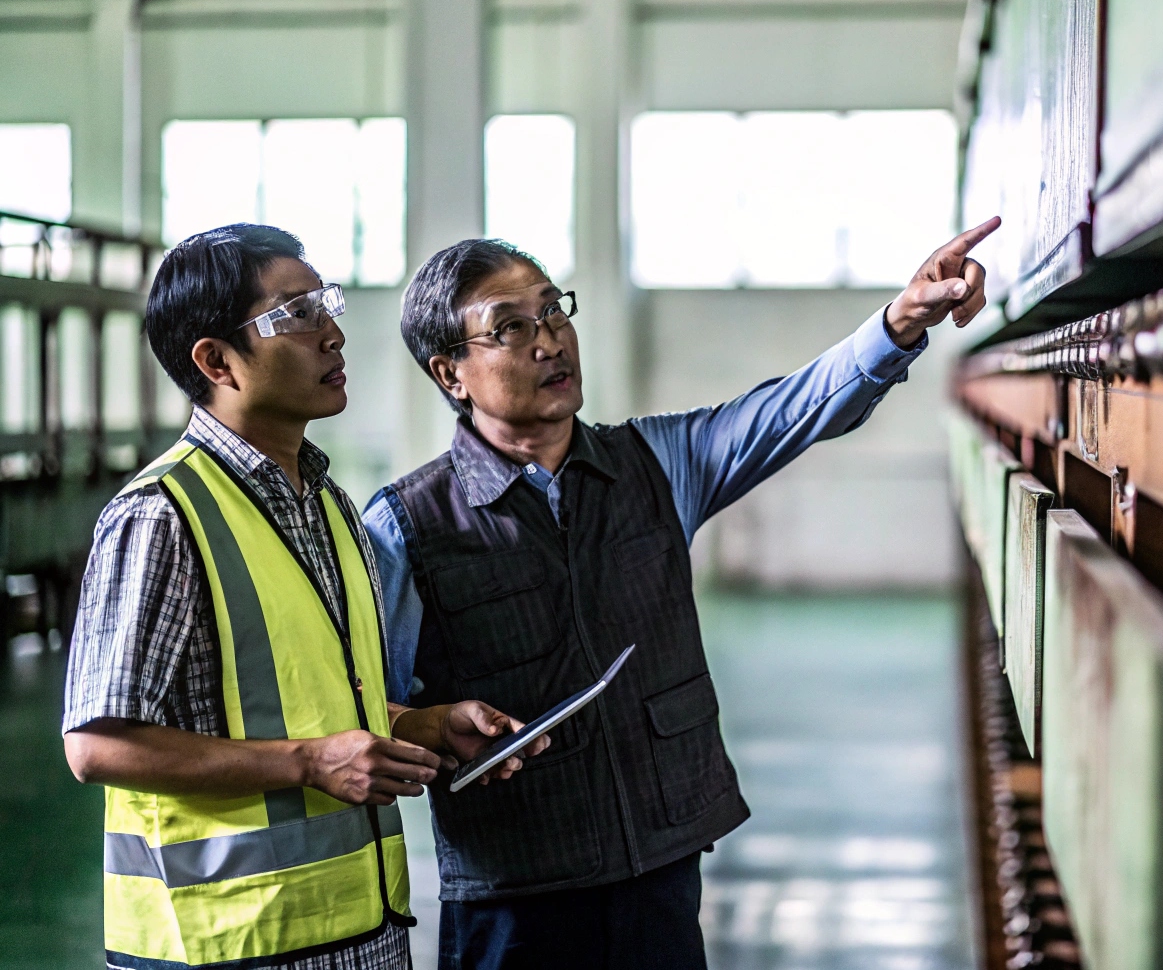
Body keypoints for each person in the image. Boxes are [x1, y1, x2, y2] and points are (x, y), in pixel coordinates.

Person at [361, 216, 1001, 969]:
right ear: (450, 373)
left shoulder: (654, 463)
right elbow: (368, 711)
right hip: (515, 897)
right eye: (510, 328)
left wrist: (898, 324)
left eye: (554, 310)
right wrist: (434, 725)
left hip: (658, 870)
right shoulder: (407, 525)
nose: (550, 340)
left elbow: (790, 412)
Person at [61, 224, 547, 970]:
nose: (331, 332)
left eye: (326, 304)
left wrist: (426, 724)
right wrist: (307, 763)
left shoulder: (328, 506)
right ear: (216, 360)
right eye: (296, 314)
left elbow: (318, 699)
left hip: (359, 932)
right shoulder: (162, 515)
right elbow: (97, 745)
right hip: (228, 944)